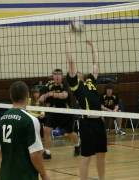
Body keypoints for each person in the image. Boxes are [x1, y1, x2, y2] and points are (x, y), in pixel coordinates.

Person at [66, 40, 107, 180]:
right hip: (87, 124)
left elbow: (96, 65)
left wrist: (94, 47)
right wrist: (68, 44)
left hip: (99, 122)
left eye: (79, 71)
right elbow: (71, 63)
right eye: (75, 72)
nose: (78, 71)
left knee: (101, 154)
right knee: (86, 156)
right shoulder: (76, 87)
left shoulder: (90, 81)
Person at [0, 81, 49, 180]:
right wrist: (44, 175)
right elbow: (35, 154)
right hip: (25, 176)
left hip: (5, 175)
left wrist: (10, 165)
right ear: (27, 95)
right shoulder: (31, 120)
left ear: (11, 96)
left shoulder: (2, 118)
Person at [39, 69, 80, 159]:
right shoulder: (49, 85)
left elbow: (64, 95)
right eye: (55, 74)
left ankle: (77, 145)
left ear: (62, 76)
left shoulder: (65, 84)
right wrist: (43, 96)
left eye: (59, 75)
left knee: (69, 133)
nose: (57, 76)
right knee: (46, 130)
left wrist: (51, 94)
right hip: (54, 112)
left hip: (66, 113)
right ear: (52, 76)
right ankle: (47, 152)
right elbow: (41, 98)